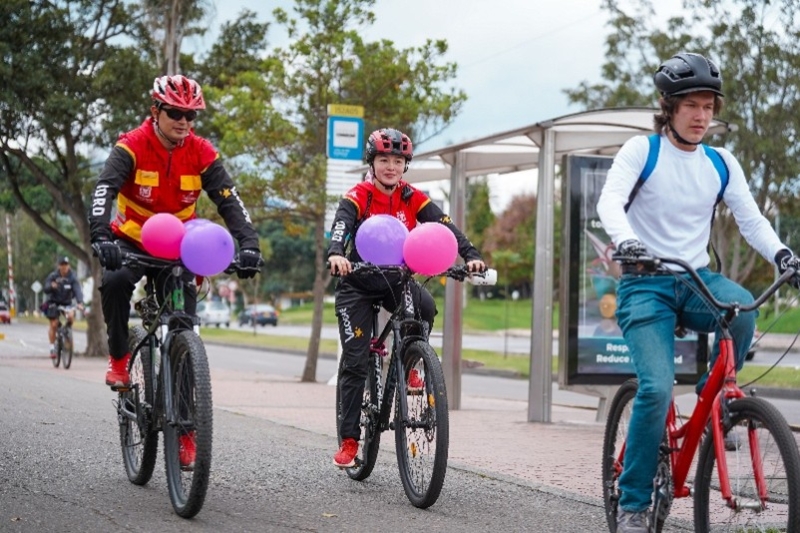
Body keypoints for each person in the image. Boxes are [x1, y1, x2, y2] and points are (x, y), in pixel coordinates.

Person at [596, 52, 800, 532]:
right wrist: (627, 241)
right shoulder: (642, 151)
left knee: (743, 312)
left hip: (697, 279)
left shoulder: (720, 162)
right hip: (645, 282)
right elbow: (610, 200)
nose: (701, 116)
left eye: (708, 106)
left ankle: (716, 408)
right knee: (656, 387)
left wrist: (783, 255)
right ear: (669, 107)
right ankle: (633, 503)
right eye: (691, 105)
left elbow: (751, 220)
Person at [87, 74, 263, 390]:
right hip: (131, 240)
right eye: (175, 113)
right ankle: (119, 358)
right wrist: (100, 237)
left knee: (184, 326)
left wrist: (249, 245)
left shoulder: (202, 152)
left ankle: (185, 417)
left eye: (191, 114)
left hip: (180, 246)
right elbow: (104, 189)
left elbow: (229, 200)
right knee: (114, 281)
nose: (184, 121)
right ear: (155, 111)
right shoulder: (132, 146)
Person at [327, 127, 487, 468]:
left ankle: (412, 361)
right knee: (355, 361)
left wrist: (471, 254)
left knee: (425, 307)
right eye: (384, 160)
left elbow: (443, 225)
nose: (391, 167)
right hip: (357, 283)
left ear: (405, 166)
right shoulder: (359, 195)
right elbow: (341, 225)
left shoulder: (412, 197)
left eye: (398, 161)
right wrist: (336, 253)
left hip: (395, 280)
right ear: (372, 163)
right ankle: (350, 439)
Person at [42, 256, 84, 359]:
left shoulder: (72, 277)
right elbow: (46, 288)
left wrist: (80, 302)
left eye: (66, 265)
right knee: (54, 324)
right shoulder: (53, 276)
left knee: (71, 316)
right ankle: (52, 348)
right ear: (59, 266)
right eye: (62, 265)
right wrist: (51, 286)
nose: (64, 267)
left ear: (69, 266)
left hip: (66, 303)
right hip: (53, 303)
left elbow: (77, 290)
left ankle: (67, 332)